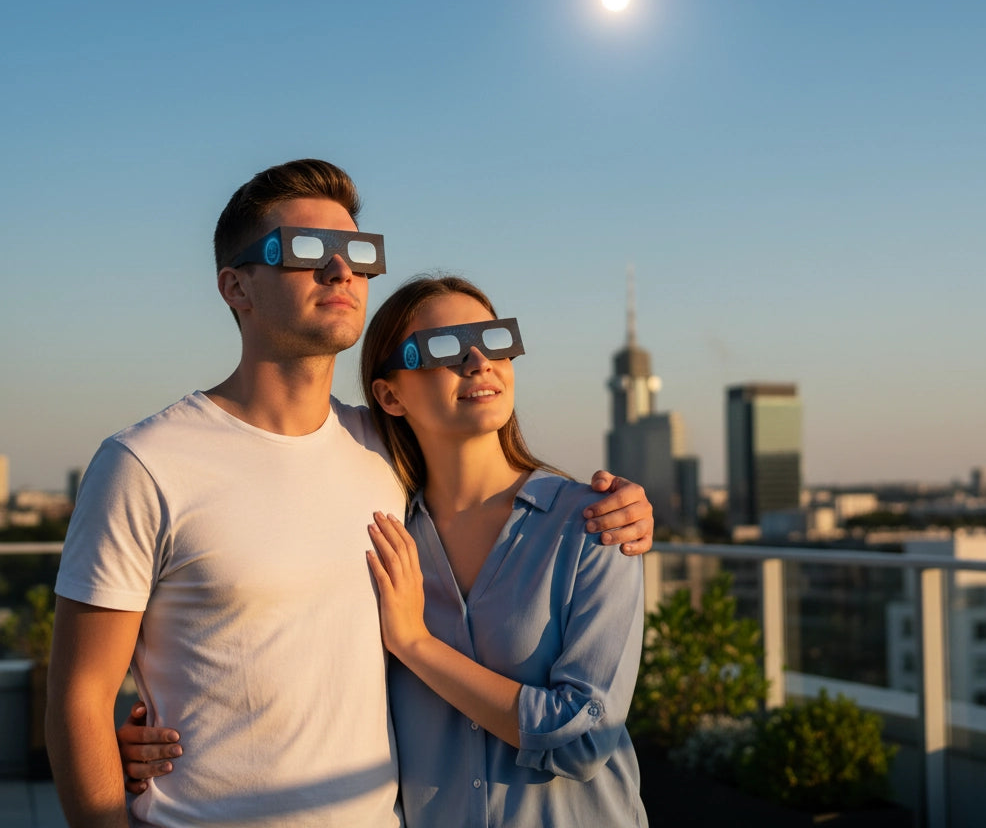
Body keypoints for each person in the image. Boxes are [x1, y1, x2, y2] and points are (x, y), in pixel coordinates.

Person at [47, 159, 654, 828]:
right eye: (306, 251)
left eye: (358, 255)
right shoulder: (146, 463)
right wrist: (119, 750)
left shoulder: (384, 456)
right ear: (235, 285)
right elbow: (80, 698)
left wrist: (626, 506)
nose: (342, 272)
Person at [363, 275, 647, 826]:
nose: (478, 361)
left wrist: (416, 645)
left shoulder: (595, 523)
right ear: (390, 395)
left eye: (492, 340)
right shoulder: (382, 539)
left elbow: (585, 738)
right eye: (445, 347)